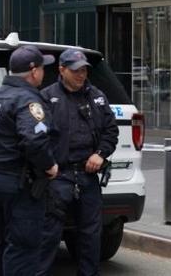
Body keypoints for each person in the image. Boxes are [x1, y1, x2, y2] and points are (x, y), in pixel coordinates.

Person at [37, 48, 119, 276]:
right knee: (48, 234)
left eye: (83, 70)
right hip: (58, 176)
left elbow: (111, 131)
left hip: (88, 175)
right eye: (75, 71)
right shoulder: (47, 97)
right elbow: (37, 137)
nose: (81, 75)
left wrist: (101, 153)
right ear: (62, 70)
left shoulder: (97, 96)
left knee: (91, 233)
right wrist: (47, 164)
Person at [0, 45, 59, 276]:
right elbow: (34, 140)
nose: (44, 73)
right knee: (24, 247)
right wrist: (49, 165)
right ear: (34, 71)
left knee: (6, 243)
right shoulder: (27, 100)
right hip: (20, 183)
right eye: (43, 68)